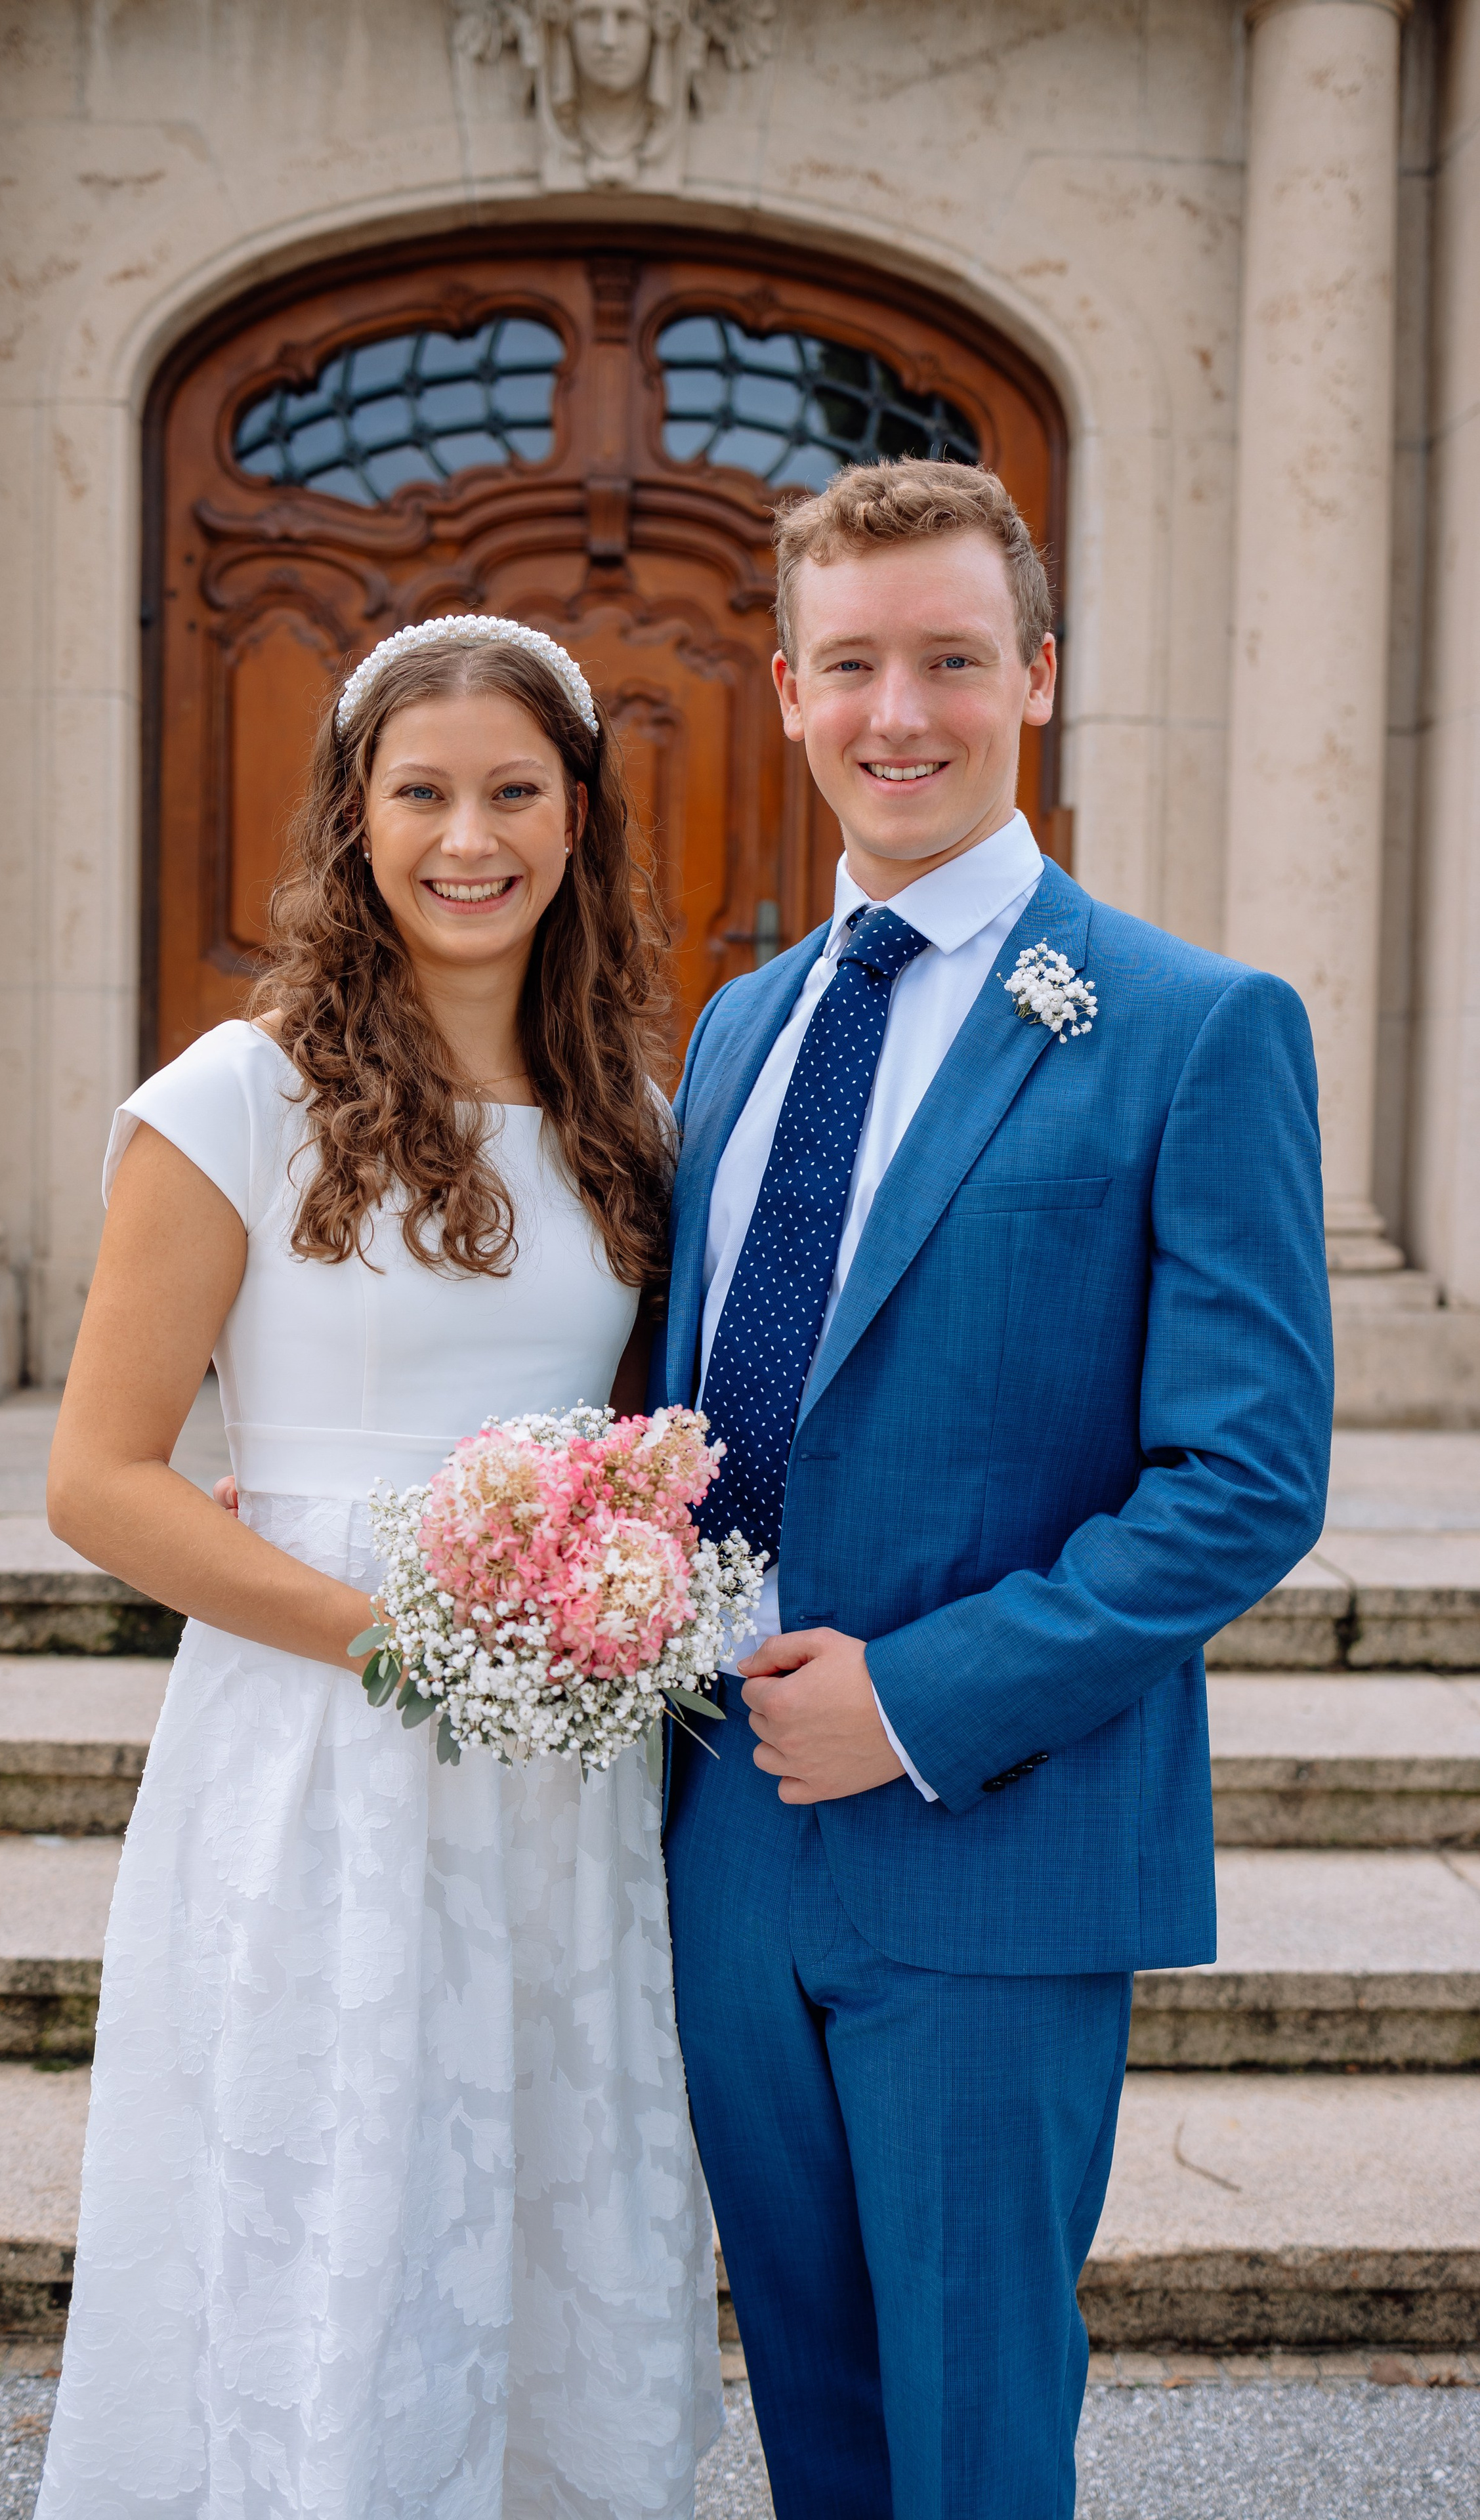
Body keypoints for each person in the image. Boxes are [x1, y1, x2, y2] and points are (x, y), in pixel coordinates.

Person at [656, 459, 1332, 2519]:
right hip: (721, 1835)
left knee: (971, 2433)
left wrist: (921, 1703)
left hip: (994, 1834)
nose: (901, 715)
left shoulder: (1194, 1027)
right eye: (852, 665)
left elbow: (1244, 1478)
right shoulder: (738, 1029)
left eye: (952, 660)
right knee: (818, 2421)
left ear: (1036, 676)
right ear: (783, 687)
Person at [35, 617, 721, 2520]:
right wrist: (408, 1642)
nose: (467, 838)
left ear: (577, 819)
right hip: (322, 1742)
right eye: (421, 794)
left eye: (513, 793)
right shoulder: (235, 1101)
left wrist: (609, 1612)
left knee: (537, 2199)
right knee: (330, 2190)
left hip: (558, 1782)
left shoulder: (633, 1127)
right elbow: (100, 1480)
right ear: (355, 818)